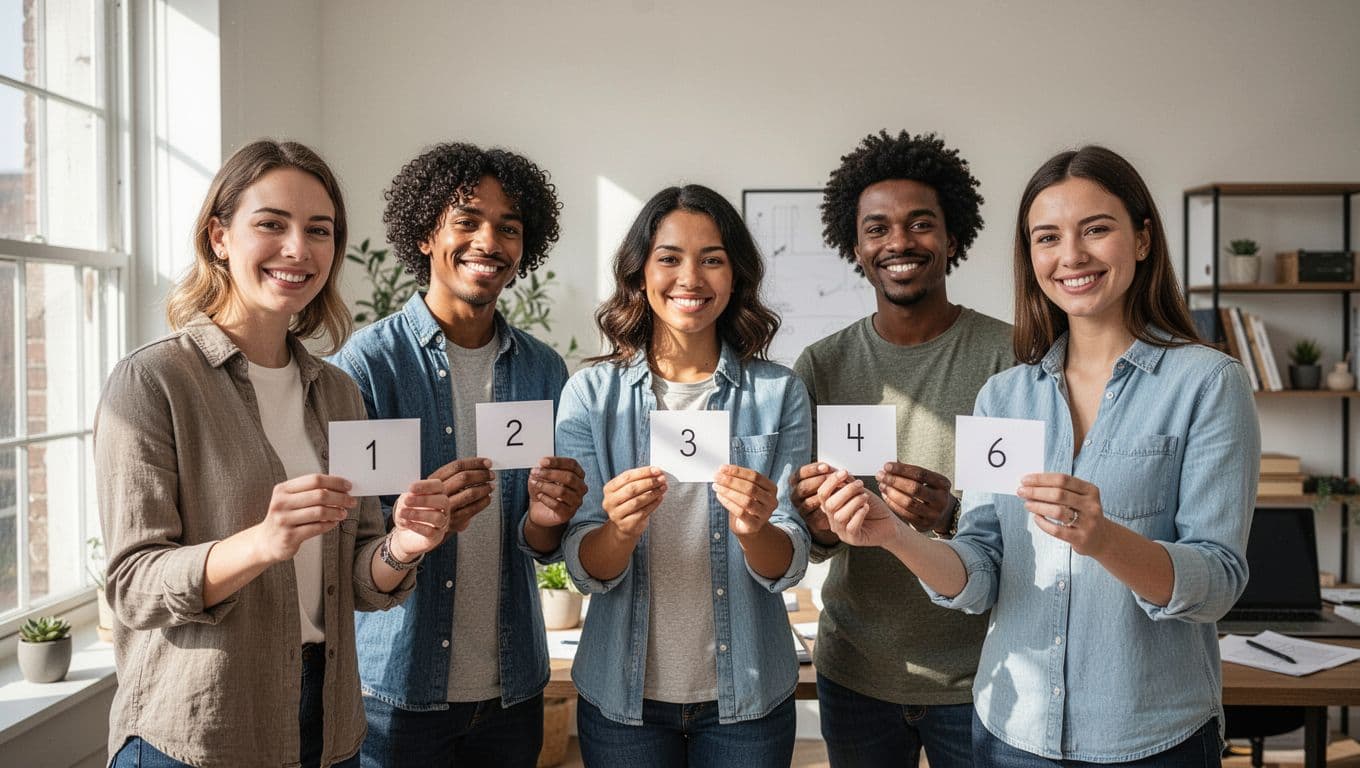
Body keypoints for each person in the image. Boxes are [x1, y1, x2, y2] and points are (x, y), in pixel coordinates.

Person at [818, 145, 1258, 765]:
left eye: (1096, 229)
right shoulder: (1005, 393)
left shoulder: (1209, 384)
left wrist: (1103, 539)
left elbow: (1217, 584)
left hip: (1149, 737)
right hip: (1012, 733)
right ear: (1031, 256)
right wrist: (894, 535)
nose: (1071, 255)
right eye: (1047, 237)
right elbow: (982, 563)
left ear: (1142, 239)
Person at [96, 140, 451, 768]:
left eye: (320, 230)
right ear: (218, 237)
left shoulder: (338, 390)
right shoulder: (152, 382)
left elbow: (365, 583)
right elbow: (133, 585)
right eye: (271, 224)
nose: (298, 248)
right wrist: (263, 541)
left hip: (330, 725)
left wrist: (404, 545)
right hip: (198, 731)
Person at [331, 142, 586, 768]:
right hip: (395, 691)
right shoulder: (366, 366)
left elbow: (540, 542)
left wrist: (550, 520)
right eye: (467, 220)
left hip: (513, 690)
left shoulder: (544, 369)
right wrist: (414, 522)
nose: (488, 241)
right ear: (425, 233)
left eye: (508, 228)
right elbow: (346, 543)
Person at [557, 184, 811, 767]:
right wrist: (618, 530)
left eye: (712, 259)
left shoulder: (779, 392)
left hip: (747, 699)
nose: (690, 277)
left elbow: (789, 560)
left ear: (735, 274)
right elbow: (582, 568)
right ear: (640, 272)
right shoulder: (590, 395)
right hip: (623, 700)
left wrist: (754, 528)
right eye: (669, 257)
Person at [791, 130, 1012, 768]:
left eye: (920, 223)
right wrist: (818, 522)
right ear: (855, 245)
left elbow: (1032, 520)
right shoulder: (823, 365)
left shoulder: (1010, 358)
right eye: (877, 227)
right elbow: (810, 541)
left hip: (983, 674)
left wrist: (951, 516)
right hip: (856, 673)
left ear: (952, 236)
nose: (899, 242)